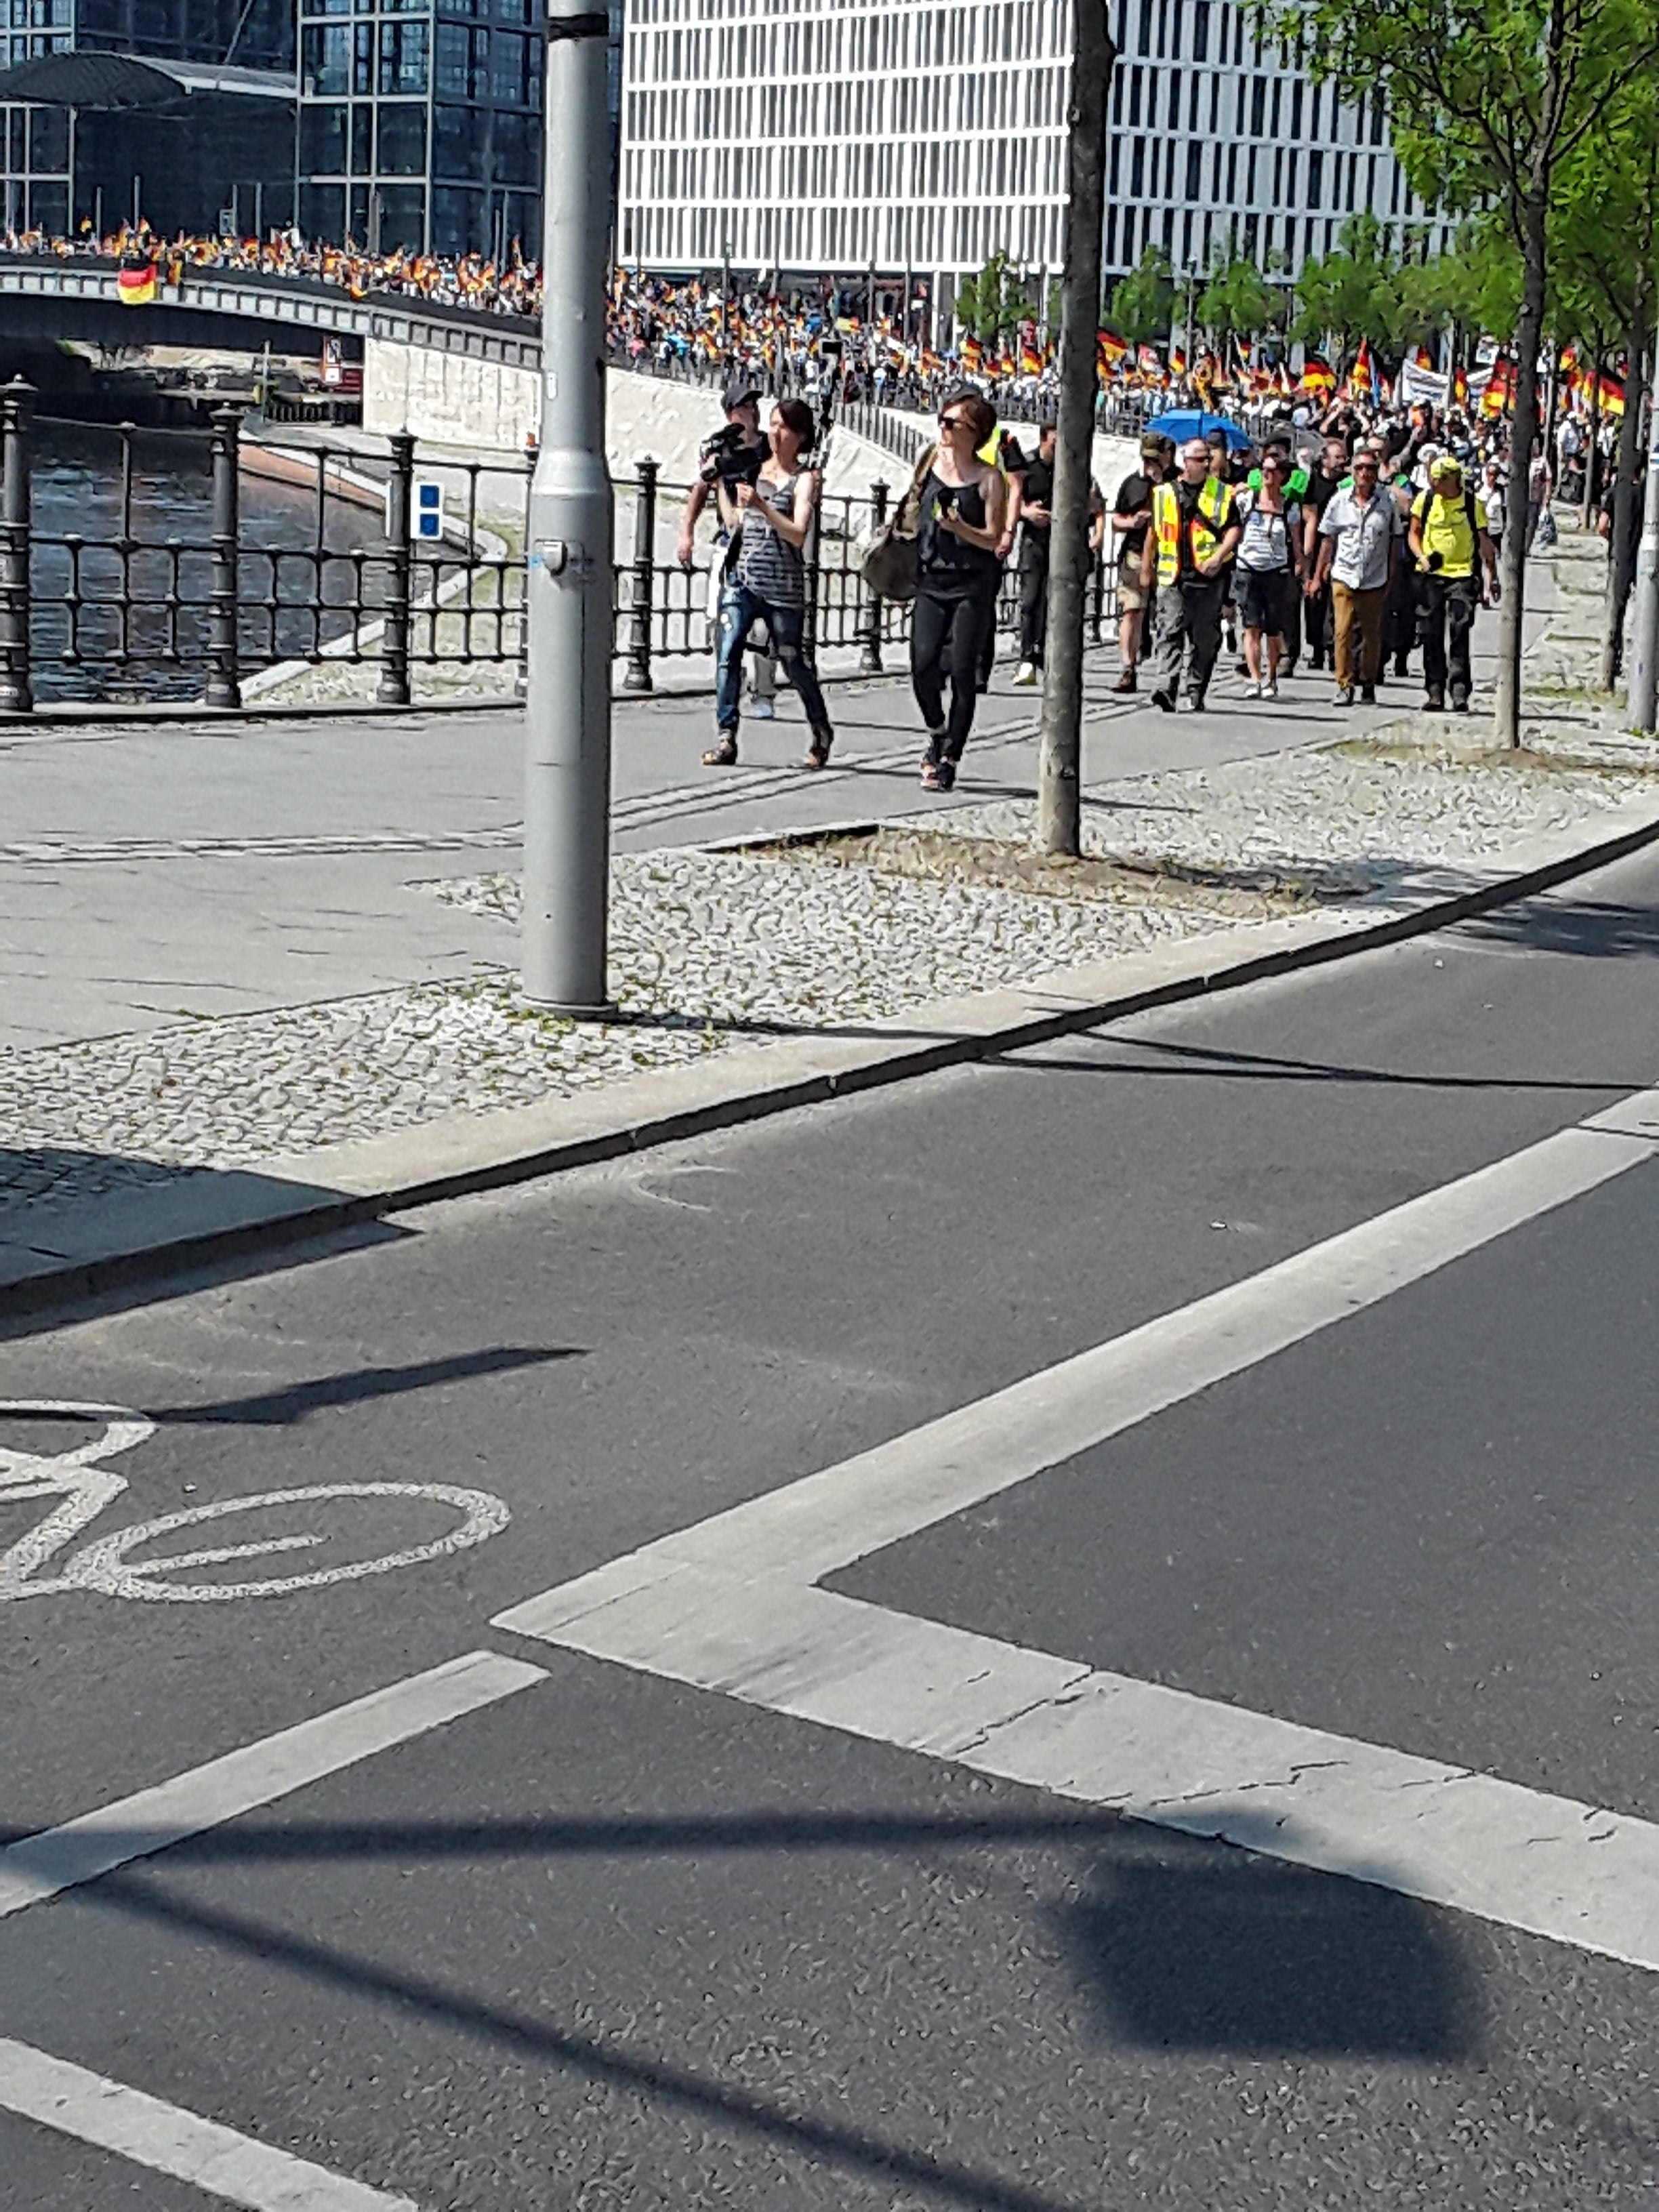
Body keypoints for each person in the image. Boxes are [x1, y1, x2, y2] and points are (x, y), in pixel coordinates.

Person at [703, 397, 834, 768]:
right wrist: (720, 485)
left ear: (801, 436)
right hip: (743, 578)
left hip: (783, 588)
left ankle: (821, 729)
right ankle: (726, 736)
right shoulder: (754, 469)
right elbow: (735, 523)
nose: (776, 433)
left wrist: (763, 505)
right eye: (773, 424)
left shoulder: (804, 480)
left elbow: (798, 534)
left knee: (792, 662)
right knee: (728, 652)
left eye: (785, 427)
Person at [910, 388, 1006, 790]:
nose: (943, 428)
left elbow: (993, 538)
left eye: (952, 423)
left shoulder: (990, 479)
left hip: (971, 584)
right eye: (942, 420)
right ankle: (937, 730)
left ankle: (950, 756)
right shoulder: (930, 461)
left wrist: (960, 528)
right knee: (923, 664)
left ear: (975, 431)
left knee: (964, 671)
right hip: (931, 579)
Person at [678, 376, 781, 718]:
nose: (752, 412)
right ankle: (729, 686)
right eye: (744, 407)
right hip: (728, 542)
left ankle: (763, 692)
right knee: (718, 620)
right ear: (730, 414)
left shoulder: (769, 449)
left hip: (763, 545)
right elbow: (700, 489)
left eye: (754, 406)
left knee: (763, 625)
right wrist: (686, 533)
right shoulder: (719, 448)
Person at [1140, 436, 1242, 713]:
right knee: (1169, 632)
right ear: (1186, 462)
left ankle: (1196, 689)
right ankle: (1166, 688)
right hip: (1173, 576)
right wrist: (1146, 568)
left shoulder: (1221, 493)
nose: (1206, 464)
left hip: (1208, 579)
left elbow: (1234, 529)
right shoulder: (1164, 493)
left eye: (1208, 459)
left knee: (1204, 641)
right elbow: (1154, 532)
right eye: (1200, 459)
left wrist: (1218, 557)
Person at [1009, 419, 1106, 685]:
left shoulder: (1074, 468)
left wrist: (1096, 529)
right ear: (1043, 439)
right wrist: (1027, 512)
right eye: (1055, 442)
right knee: (1031, 600)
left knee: (1060, 601)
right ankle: (1027, 656)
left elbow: (1097, 505)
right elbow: (1010, 501)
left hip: (1066, 544)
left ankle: (1051, 655)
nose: (1059, 447)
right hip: (1035, 542)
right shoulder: (1028, 466)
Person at [1408, 451, 1498, 712]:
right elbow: (1414, 533)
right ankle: (1435, 691)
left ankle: (1459, 691)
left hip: (1462, 575)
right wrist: (1422, 557)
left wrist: (1492, 577)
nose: (1433, 483)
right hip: (1431, 576)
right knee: (1431, 634)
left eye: (1438, 479)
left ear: (1452, 479)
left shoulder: (1472, 504)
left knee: (1460, 630)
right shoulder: (1425, 500)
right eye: (1432, 478)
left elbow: (1485, 544)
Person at [1311, 447, 1399, 705]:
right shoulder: (1339, 500)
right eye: (1360, 468)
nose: (1365, 473)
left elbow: (1395, 540)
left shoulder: (1387, 502)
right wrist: (1317, 575)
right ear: (1352, 470)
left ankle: (1368, 682)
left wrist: (1391, 574)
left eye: (1370, 468)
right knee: (1342, 632)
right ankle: (1344, 684)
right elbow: (1328, 540)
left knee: (1371, 636)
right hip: (1344, 575)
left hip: (1374, 578)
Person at [1233, 451, 1304, 699]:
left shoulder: (1290, 507)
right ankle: (1255, 678)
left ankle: (1271, 676)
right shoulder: (1247, 500)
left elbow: (1296, 541)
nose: (1266, 474)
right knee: (1251, 626)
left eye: (1272, 470)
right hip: (1247, 568)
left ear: (1282, 475)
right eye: (1264, 469)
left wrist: (1301, 564)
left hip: (1276, 572)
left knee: (1273, 629)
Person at [1108, 432, 1168, 693]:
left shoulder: (1171, 483)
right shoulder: (1131, 484)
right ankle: (1127, 668)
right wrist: (1132, 522)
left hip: (1164, 554)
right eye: (1148, 460)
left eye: (1156, 460)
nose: (1151, 465)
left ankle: (1167, 674)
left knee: (1163, 614)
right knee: (1132, 610)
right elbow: (1115, 520)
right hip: (1134, 554)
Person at [1299, 436, 1349, 671]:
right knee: (1314, 599)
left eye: (1343, 457)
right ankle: (1316, 649)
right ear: (1325, 460)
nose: (1342, 462)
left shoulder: (1346, 484)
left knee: (1334, 602)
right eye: (1337, 457)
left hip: (1339, 547)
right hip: (1315, 545)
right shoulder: (1312, 482)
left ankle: (1332, 650)